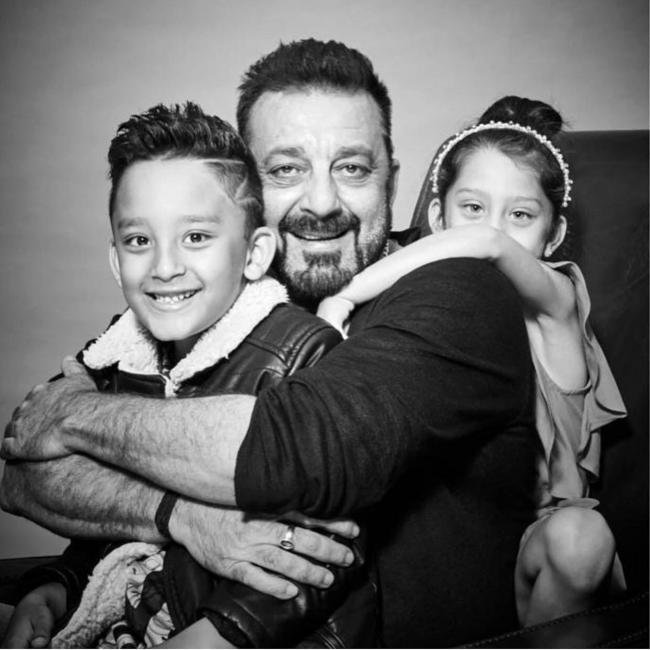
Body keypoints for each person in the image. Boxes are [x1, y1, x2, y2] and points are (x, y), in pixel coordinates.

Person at [1, 39, 538, 647]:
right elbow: (23, 473)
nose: (322, 203)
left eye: (352, 168)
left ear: (392, 178)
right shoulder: (213, 299)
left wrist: (72, 415)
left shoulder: (459, 291)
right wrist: (147, 535)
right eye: (286, 170)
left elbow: (302, 452)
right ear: (248, 190)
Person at [4, 101, 379, 649]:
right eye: (139, 241)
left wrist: (215, 634)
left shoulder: (301, 352)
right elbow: (81, 506)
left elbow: (325, 549)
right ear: (116, 261)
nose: (164, 267)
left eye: (196, 237)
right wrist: (57, 589)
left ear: (255, 254)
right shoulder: (117, 353)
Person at [317, 95, 628, 625]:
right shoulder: (421, 299)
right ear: (438, 216)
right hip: (445, 544)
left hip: (537, 546)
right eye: (473, 207)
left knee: (581, 538)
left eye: (521, 215)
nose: (497, 228)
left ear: (553, 235)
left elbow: (486, 244)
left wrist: (341, 297)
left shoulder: (557, 303)